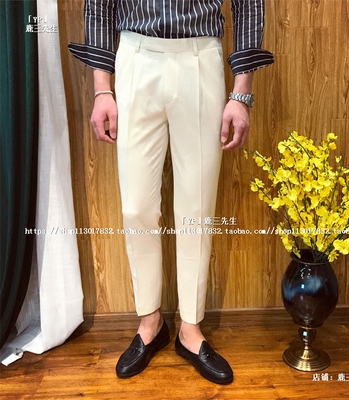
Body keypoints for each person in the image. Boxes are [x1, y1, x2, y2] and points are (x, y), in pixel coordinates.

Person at [69, 0, 273, 385]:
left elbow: (248, 4)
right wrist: (101, 89)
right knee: (136, 207)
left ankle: (190, 328)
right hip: (135, 55)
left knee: (197, 206)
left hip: (200, 57)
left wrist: (241, 93)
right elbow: (98, 5)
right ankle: (150, 322)